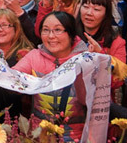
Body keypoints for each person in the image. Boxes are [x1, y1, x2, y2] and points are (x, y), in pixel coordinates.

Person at [13, 12, 89, 142]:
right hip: (39, 135)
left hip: (76, 136)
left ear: (71, 33)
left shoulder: (86, 59)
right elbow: (11, 80)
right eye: (46, 30)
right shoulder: (34, 56)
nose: (51, 36)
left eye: (58, 30)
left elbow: (88, 101)